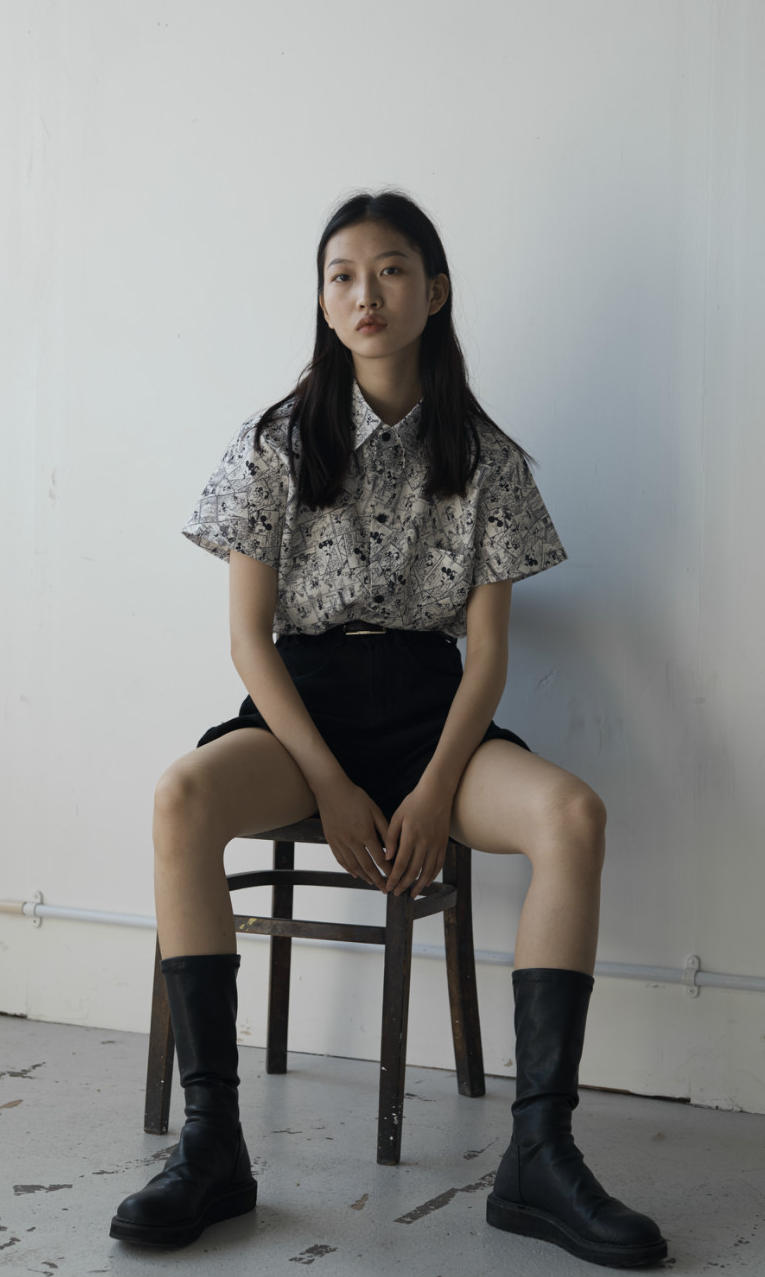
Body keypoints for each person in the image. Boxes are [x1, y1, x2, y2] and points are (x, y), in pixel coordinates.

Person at [109, 189, 668, 1268]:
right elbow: (249, 642)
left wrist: (434, 786)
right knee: (181, 797)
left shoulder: (488, 459)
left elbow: (488, 653)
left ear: (435, 291)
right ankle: (213, 1146)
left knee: (573, 816)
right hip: (302, 711)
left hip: (431, 714)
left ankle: (540, 1157)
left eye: (392, 269)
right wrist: (328, 783)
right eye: (343, 276)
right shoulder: (275, 443)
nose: (366, 293)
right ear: (323, 303)